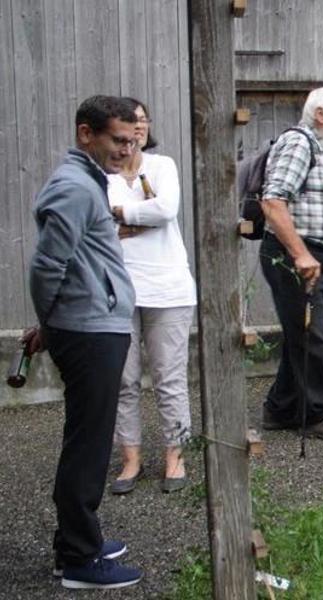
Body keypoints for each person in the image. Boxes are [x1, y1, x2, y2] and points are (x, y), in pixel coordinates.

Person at [26, 95, 142, 589]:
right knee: (89, 447)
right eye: (118, 140)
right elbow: (46, 266)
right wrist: (51, 323)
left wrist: (53, 321)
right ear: (85, 134)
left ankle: (78, 542)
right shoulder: (75, 186)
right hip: (90, 329)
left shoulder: (89, 182)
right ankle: (78, 558)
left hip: (95, 324)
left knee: (87, 440)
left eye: (132, 141)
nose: (126, 150)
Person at [106, 98, 197, 495]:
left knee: (169, 377)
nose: (137, 128)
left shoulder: (163, 166)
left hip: (168, 287)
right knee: (122, 380)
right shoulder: (100, 174)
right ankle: (131, 458)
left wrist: (120, 214)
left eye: (142, 120)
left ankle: (176, 455)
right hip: (115, 290)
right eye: (129, 122)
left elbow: (166, 209)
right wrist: (127, 217)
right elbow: (92, 224)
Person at [259, 87, 323, 441]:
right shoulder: (299, 143)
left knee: (310, 336)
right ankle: (316, 413)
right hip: (295, 256)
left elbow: (321, 204)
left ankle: (279, 407)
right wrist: (301, 253)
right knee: (311, 337)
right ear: (320, 115)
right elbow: (273, 201)